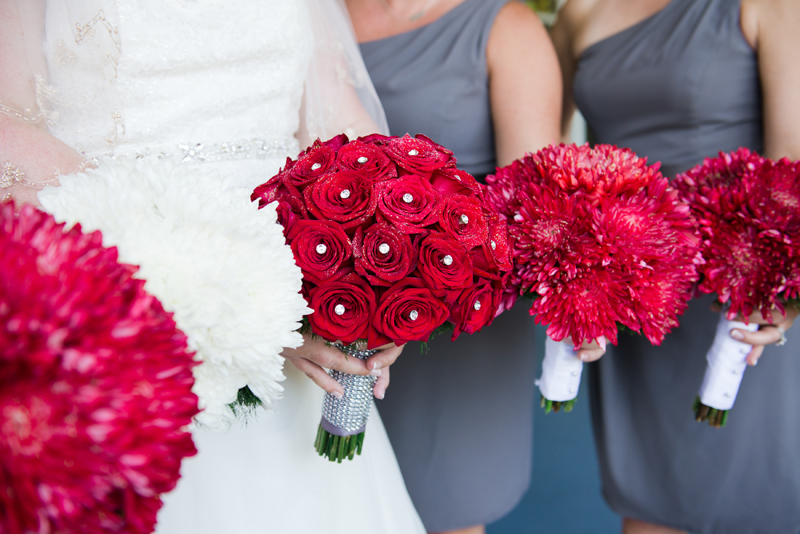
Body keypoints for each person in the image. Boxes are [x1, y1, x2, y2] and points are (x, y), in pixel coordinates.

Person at [0, 0, 424, 532]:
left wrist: (390, 263)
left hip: (306, 318)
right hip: (124, 305)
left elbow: (336, 119)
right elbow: (9, 131)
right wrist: (254, 301)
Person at [347, 2, 599, 533]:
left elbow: (533, 212)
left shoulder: (504, 26)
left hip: (460, 329)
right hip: (332, 310)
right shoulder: (306, 15)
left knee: (443, 507)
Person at [551, 0, 800, 533]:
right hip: (629, 294)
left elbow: (792, 164)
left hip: (736, 294)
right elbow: (546, 163)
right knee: (648, 500)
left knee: (752, 494)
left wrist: (783, 289)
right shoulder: (580, 13)